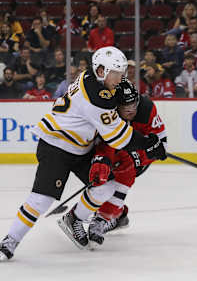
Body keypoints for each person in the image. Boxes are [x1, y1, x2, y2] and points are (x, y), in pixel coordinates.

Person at [0, 46, 166, 261]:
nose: (120, 78)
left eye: (121, 73)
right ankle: (10, 240)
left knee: (107, 186)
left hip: (80, 147)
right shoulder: (97, 97)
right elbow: (118, 137)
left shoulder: (92, 79)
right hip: (57, 145)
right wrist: (148, 145)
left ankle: (74, 219)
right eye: (116, 73)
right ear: (101, 71)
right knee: (42, 198)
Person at [87, 78, 167, 243]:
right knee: (104, 176)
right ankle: (119, 213)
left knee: (125, 170)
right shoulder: (108, 112)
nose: (131, 110)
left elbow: (161, 140)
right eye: (126, 106)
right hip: (115, 149)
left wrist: (157, 149)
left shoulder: (146, 108)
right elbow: (103, 143)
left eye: (133, 104)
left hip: (140, 152)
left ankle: (104, 217)